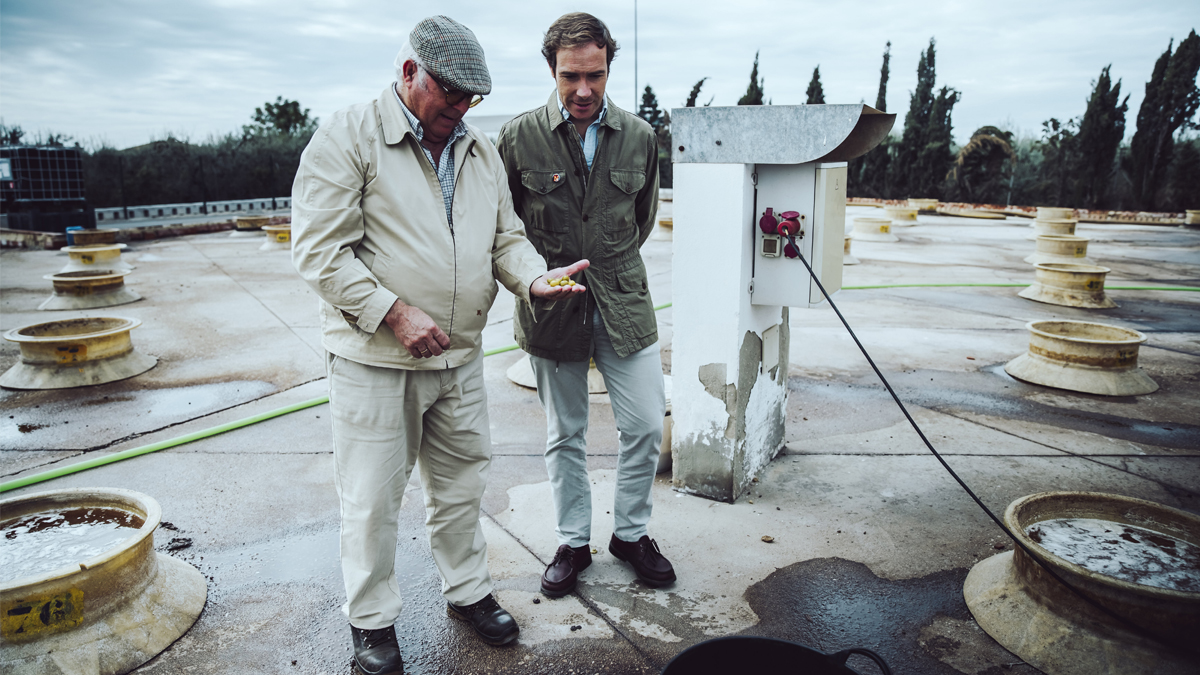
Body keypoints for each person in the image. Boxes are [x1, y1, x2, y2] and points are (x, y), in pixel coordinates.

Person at [291, 16, 588, 675]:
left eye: (469, 98)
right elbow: (318, 251)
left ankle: (467, 592)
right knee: (371, 497)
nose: (459, 108)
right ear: (407, 74)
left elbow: (505, 238)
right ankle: (371, 621)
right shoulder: (349, 137)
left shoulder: (477, 152)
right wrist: (392, 312)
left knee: (461, 484)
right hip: (375, 361)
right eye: (449, 93)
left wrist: (532, 277)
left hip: (457, 358)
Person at [496, 12, 675, 600]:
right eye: (570, 75)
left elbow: (640, 220)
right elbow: (505, 228)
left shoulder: (641, 137)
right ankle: (573, 542)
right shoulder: (518, 138)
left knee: (646, 424)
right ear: (552, 69)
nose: (583, 90)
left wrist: (608, 265)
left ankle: (630, 534)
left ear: (607, 68)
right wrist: (536, 278)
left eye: (594, 75)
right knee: (564, 433)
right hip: (552, 309)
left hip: (624, 305)